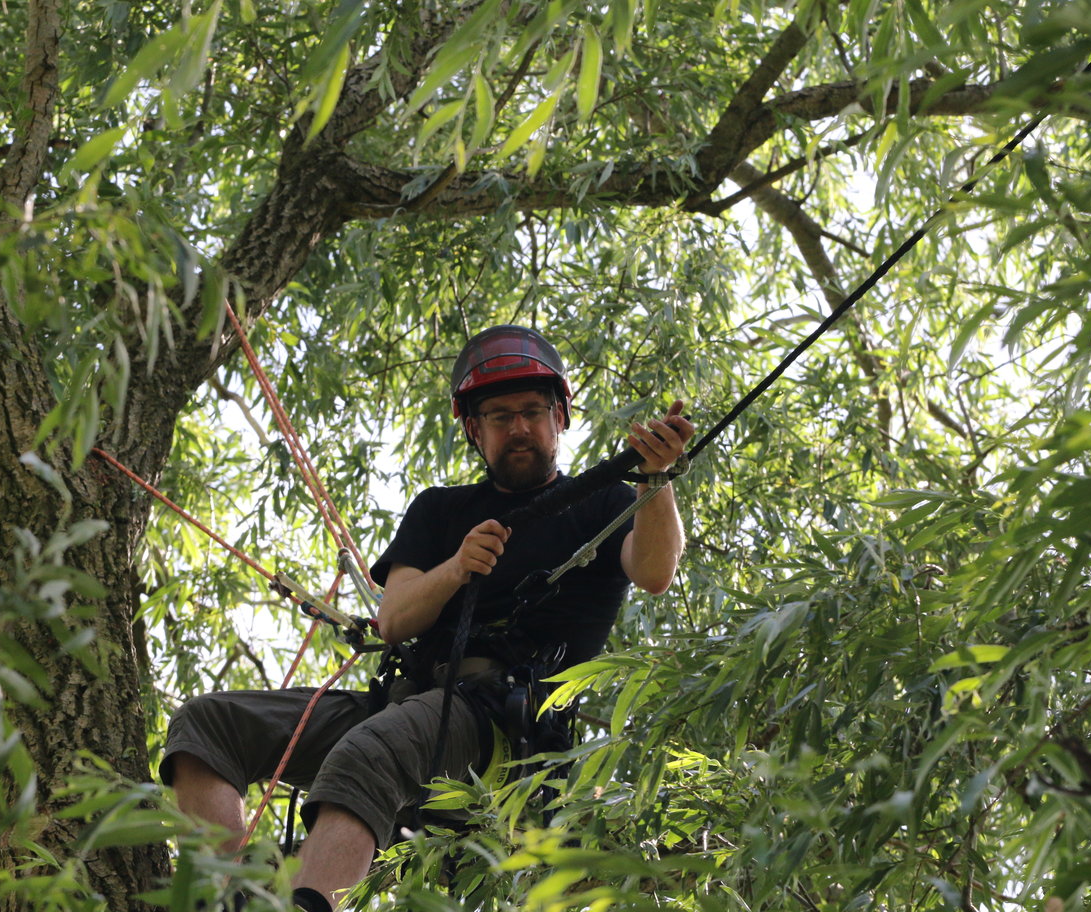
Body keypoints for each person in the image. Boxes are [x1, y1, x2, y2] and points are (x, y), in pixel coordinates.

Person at [160, 325, 694, 912]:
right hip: (405, 701)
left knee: (367, 753)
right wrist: (458, 567)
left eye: (533, 411)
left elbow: (655, 571)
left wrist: (656, 478)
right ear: (473, 430)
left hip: (500, 724)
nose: (518, 427)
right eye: (498, 415)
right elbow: (394, 619)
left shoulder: (605, 503)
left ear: (560, 417)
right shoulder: (440, 510)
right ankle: (233, 896)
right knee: (207, 725)